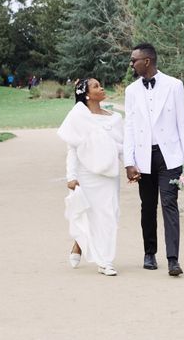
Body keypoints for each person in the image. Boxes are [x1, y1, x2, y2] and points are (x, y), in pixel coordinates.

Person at [124, 43, 184, 277]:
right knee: (147, 206)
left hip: (169, 156)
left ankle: (173, 259)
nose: (131, 64)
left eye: (134, 60)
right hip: (143, 157)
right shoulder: (131, 91)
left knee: (169, 204)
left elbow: (182, 123)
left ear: (147, 61)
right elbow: (129, 127)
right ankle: (149, 253)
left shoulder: (174, 86)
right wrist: (128, 161)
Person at [57, 78, 123, 277]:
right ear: (86, 94)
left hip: (109, 174)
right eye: (96, 86)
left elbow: (122, 147)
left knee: (109, 215)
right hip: (87, 174)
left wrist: (131, 167)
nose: (101, 88)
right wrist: (71, 176)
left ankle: (105, 260)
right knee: (88, 213)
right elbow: (73, 150)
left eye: (100, 85)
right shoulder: (77, 116)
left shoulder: (115, 119)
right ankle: (86, 248)